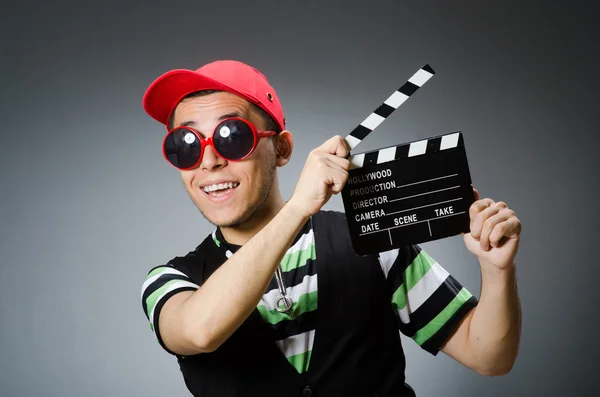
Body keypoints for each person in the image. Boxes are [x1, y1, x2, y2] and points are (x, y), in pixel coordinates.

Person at [139, 60, 522, 397]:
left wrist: (497, 268)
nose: (208, 161)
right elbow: (200, 330)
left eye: (232, 137)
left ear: (282, 149)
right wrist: (300, 209)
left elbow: (490, 356)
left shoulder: (371, 243)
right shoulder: (170, 282)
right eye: (185, 145)